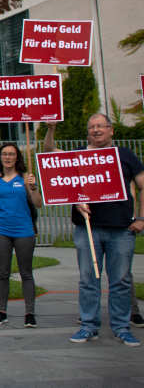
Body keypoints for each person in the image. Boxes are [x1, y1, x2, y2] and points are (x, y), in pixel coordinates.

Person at [45, 114, 144, 346]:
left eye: (101, 126)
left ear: (111, 130)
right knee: (88, 280)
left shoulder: (125, 155)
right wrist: (50, 129)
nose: (96, 130)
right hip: (88, 228)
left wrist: (141, 218)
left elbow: (142, 185)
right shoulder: (78, 155)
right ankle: (89, 326)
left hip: (121, 229)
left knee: (121, 281)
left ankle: (122, 327)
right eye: (92, 127)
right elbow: (49, 153)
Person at [0, 143, 42, 328]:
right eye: (4, 154)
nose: (8, 157)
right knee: (3, 273)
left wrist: (33, 188)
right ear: (0, 157)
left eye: (11, 154)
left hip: (24, 230)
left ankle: (30, 313)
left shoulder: (25, 178)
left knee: (26, 272)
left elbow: (38, 203)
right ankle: (1, 311)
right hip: (2, 230)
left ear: (17, 157)